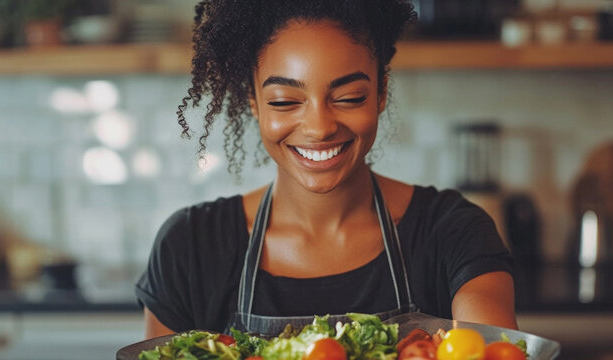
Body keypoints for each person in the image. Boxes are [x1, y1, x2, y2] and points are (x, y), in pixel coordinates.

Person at [136, 0, 517, 339]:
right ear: (254, 101)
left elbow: (493, 345)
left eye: (349, 97)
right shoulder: (188, 248)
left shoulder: (455, 233)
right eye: (285, 101)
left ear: (381, 92)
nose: (319, 128)